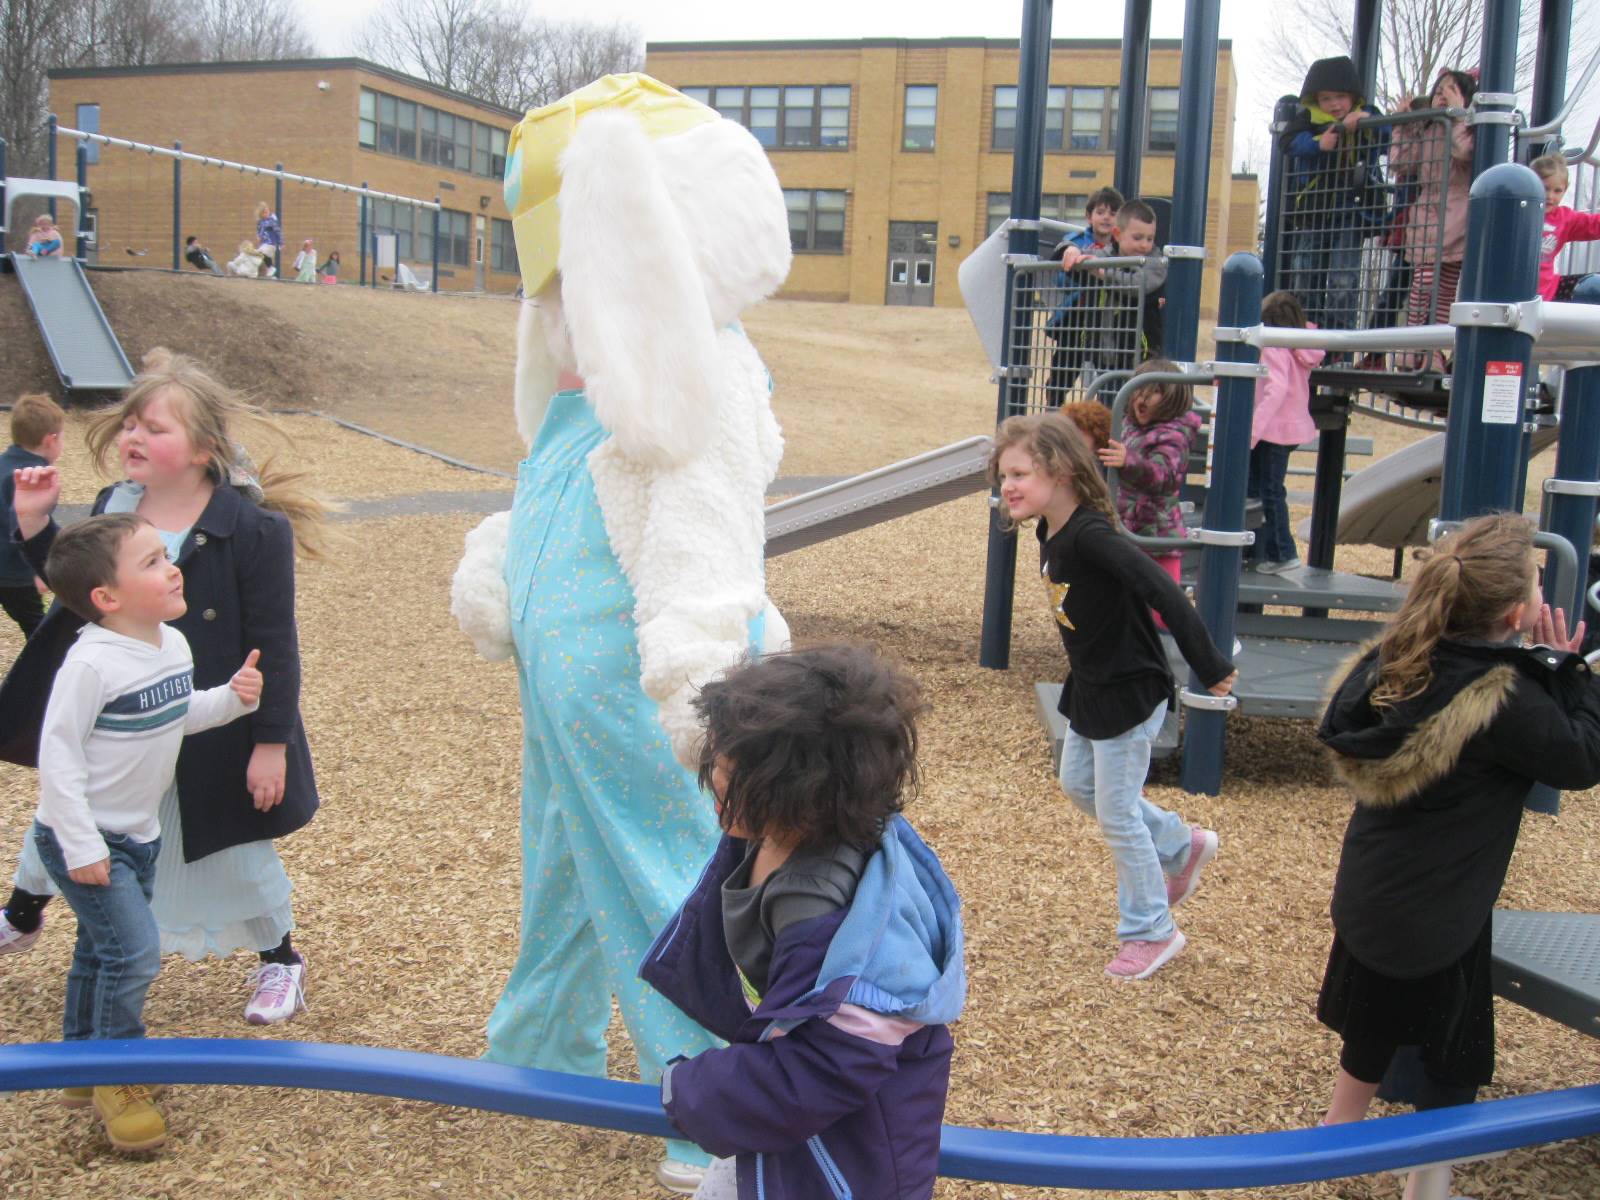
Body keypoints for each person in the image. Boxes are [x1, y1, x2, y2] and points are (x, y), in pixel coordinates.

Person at [449, 74, 793, 1194]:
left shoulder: (692, 379)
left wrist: (702, 687)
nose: (555, 311)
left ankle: (714, 1117)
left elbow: (703, 540)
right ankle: (536, 1056)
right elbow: (552, 496)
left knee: (661, 886)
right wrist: (504, 569)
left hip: (637, 686)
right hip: (566, 692)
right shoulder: (583, 389)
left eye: (571, 282)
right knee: (559, 868)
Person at [0, 353, 327, 1027]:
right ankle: (22, 914)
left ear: (204, 449)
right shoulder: (114, 509)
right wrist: (36, 529)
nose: (133, 438)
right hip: (122, 720)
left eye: (155, 428)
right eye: (130, 425)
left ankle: (281, 959)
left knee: (230, 850)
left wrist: (271, 744)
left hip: (214, 718)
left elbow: (276, 644)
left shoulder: (254, 530)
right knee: (68, 820)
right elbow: (83, 594)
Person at [1315, 514, 1600, 1198]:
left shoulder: (1404, 656)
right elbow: (1581, 757)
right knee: (1454, 1058)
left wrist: (1545, 669)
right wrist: (1576, 678)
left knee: (1372, 1020)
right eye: (1535, 583)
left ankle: (1330, 1140)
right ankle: (1428, 1186)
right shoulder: (1503, 697)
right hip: (1443, 909)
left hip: (1375, 891)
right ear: (1516, 610)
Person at [639, 644, 964, 1200]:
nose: (714, 776)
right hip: (801, 1116)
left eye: (734, 772)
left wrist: (696, 1091)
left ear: (805, 794)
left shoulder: (825, 917)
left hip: (848, 1153)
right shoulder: (781, 828)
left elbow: (826, 1065)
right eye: (719, 758)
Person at [28, 512, 263, 1152]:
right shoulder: (92, 666)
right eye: (152, 561)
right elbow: (59, 757)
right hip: (83, 838)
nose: (173, 566)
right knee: (133, 952)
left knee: (98, 949)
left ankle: (79, 1063)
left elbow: (177, 714)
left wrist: (232, 700)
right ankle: (117, 1074)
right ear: (107, 598)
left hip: (137, 834)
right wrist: (81, 846)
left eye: (166, 554)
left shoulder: (171, 644)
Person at [990, 414, 1235, 980]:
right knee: (1080, 785)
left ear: (1063, 469)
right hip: (1092, 686)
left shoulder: (1092, 535)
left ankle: (1152, 929)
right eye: (1004, 475)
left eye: (1020, 473)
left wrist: (1210, 665)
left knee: (1118, 812)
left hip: (1128, 689)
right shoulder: (1052, 531)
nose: (1008, 486)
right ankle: (1180, 843)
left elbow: (1162, 588)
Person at [1277, 56, 1386, 333]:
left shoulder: (1367, 113)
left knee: (1342, 277)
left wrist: (1365, 120)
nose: (1334, 104)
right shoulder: (1309, 121)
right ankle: (1305, 330)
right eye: (1326, 98)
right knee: (1305, 271)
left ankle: (1338, 337)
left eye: (1340, 97)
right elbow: (1288, 141)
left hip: (1350, 208)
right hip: (1314, 211)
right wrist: (1318, 142)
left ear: (1353, 97)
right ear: (1316, 101)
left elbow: (1388, 134)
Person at [1388, 69, 1476, 370]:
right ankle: (1410, 347)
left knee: (1446, 289)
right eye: (1439, 89)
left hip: (1457, 210)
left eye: (1451, 89)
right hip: (1428, 211)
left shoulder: (1465, 126)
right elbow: (1401, 163)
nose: (1442, 94)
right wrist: (1402, 125)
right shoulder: (1427, 127)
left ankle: (1434, 351)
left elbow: (1464, 152)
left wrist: (1457, 115)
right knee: (1423, 282)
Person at [1096, 358, 1199, 587]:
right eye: (1137, 391)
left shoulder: (1173, 434)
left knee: (1160, 600)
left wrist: (1129, 462)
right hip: (1129, 526)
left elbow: (1164, 476)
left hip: (1157, 536)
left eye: (1151, 393)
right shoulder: (1130, 425)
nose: (1140, 399)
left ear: (1172, 399)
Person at [1246, 291, 1324, 574]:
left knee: (1270, 491)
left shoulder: (1275, 347)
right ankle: (1255, 542)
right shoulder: (1300, 345)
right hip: (1289, 428)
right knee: (1263, 488)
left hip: (1272, 430)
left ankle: (1282, 552)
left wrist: (1252, 432)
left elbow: (1275, 390)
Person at [1058, 199, 1168, 389]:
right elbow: (1082, 258)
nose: (1144, 245)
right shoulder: (1106, 255)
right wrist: (1071, 250)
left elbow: (1138, 285)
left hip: (1142, 352)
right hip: (1104, 349)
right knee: (1108, 399)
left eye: (1149, 239)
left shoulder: (1155, 262)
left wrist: (1102, 273)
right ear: (1117, 234)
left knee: (1134, 399)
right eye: (1138, 237)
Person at [1044, 186, 1123, 405]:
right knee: (1068, 358)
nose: (1106, 217)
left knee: (1107, 364)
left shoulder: (1122, 246)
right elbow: (1065, 249)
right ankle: (1055, 397)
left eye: (1113, 213)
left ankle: (1107, 408)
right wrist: (1071, 251)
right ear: (1089, 216)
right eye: (1100, 212)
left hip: (1107, 317)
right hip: (1079, 313)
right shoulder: (1080, 239)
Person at [1, 394, 66, 640]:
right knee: (40, 631)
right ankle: (46, 674)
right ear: (51, 440)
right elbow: (23, 525)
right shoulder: (32, 478)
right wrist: (39, 570)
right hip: (14, 572)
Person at [1532, 153, 1600, 302]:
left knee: (1595, 288)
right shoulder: (1519, 213)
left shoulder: (1564, 218)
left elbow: (1593, 224)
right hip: (1518, 294)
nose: (1550, 196)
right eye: (1545, 188)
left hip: (1549, 290)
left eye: (1557, 191)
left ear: (1565, 189)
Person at [254, 202, 282, 278]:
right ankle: (270, 274)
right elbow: (259, 232)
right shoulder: (260, 222)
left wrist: (281, 242)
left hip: (271, 243)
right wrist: (258, 237)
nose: (267, 214)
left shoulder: (271, 221)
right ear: (261, 214)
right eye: (264, 213)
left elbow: (277, 231)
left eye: (267, 212)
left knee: (261, 252)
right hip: (265, 244)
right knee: (259, 255)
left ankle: (271, 268)